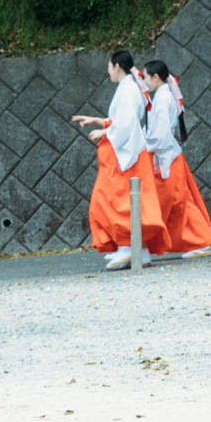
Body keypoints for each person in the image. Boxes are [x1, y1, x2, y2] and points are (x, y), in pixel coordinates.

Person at [70, 49, 168, 269]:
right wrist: (97, 121)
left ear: (116, 66)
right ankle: (139, 250)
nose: (108, 71)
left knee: (111, 200)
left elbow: (126, 123)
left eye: (108, 66)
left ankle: (126, 246)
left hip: (126, 155)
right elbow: (122, 120)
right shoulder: (129, 89)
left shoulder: (128, 90)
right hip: (130, 152)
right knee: (127, 201)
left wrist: (104, 132)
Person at [141, 60, 211, 257]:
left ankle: (199, 241)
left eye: (145, 77)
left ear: (155, 77)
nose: (145, 81)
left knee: (179, 201)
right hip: (167, 156)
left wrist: (146, 144)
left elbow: (161, 132)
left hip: (166, 157)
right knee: (178, 201)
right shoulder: (165, 95)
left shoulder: (163, 98)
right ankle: (194, 241)